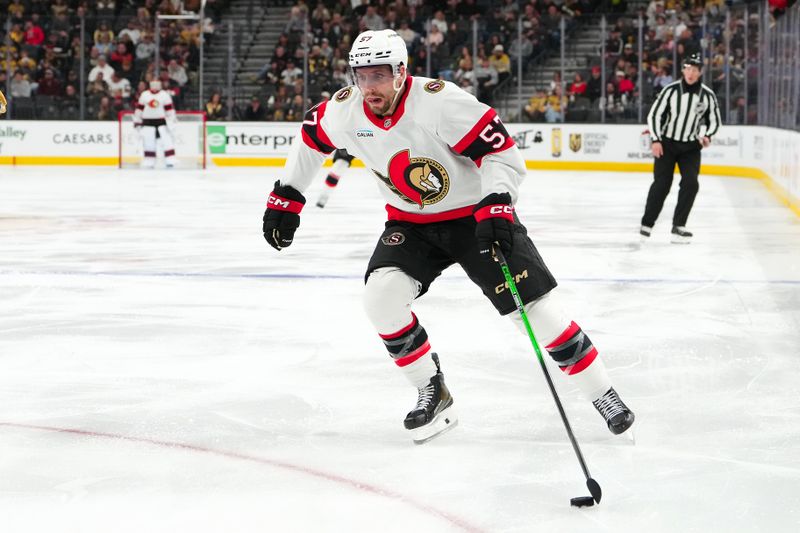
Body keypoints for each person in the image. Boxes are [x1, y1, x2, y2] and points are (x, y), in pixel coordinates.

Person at [262, 29, 635, 444]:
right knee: (381, 298)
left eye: (379, 75)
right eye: (361, 76)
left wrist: (497, 203)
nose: (368, 87)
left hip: (475, 217)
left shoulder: (439, 103)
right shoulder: (345, 110)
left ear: (401, 72)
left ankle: (604, 394)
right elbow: (310, 139)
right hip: (410, 223)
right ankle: (433, 390)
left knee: (536, 312)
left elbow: (499, 151)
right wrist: (287, 196)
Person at [640, 52, 721, 243]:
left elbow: (714, 120)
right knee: (662, 184)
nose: (691, 73)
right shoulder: (670, 90)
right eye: (688, 69)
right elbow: (654, 115)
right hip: (667, 144)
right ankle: (647, 223)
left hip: (691, 147)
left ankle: (679, 226)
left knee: (691, 183)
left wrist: (708, 135)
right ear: (683, 70)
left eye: (695, 70)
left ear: (700, 72)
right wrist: (656, 140)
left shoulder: (707, 95)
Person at [133, 80, 177, 168]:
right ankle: (149, 159)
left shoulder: (164, 95)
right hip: (148, 122)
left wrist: (171, 120)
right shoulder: (145, 95)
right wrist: (137, 120)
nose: (155, 86)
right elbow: (139, 108)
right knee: (148, 142)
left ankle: (170, 158)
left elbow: (169, 109)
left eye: (157, 84)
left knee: (167, 141)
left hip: (162, 122)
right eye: (153, 84)